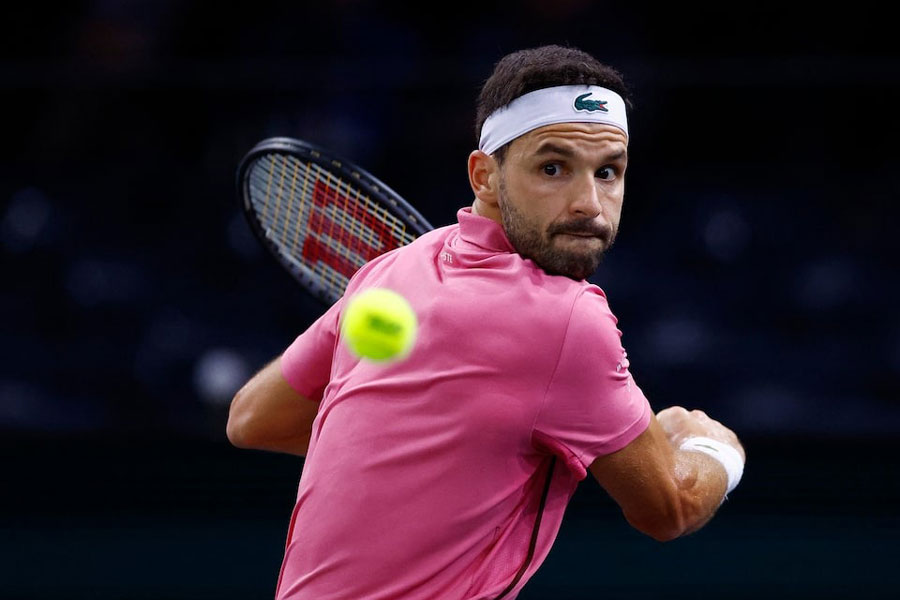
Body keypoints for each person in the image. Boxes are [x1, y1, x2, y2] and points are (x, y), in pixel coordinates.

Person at [227, 45, 746, 600]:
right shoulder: (567, 318)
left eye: (608, 172)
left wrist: (439, 443)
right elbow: (670, 508)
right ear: (485, 177)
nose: (589, 204)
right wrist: (711, 450)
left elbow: (253, 417)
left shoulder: (390, 272)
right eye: (553, 168)